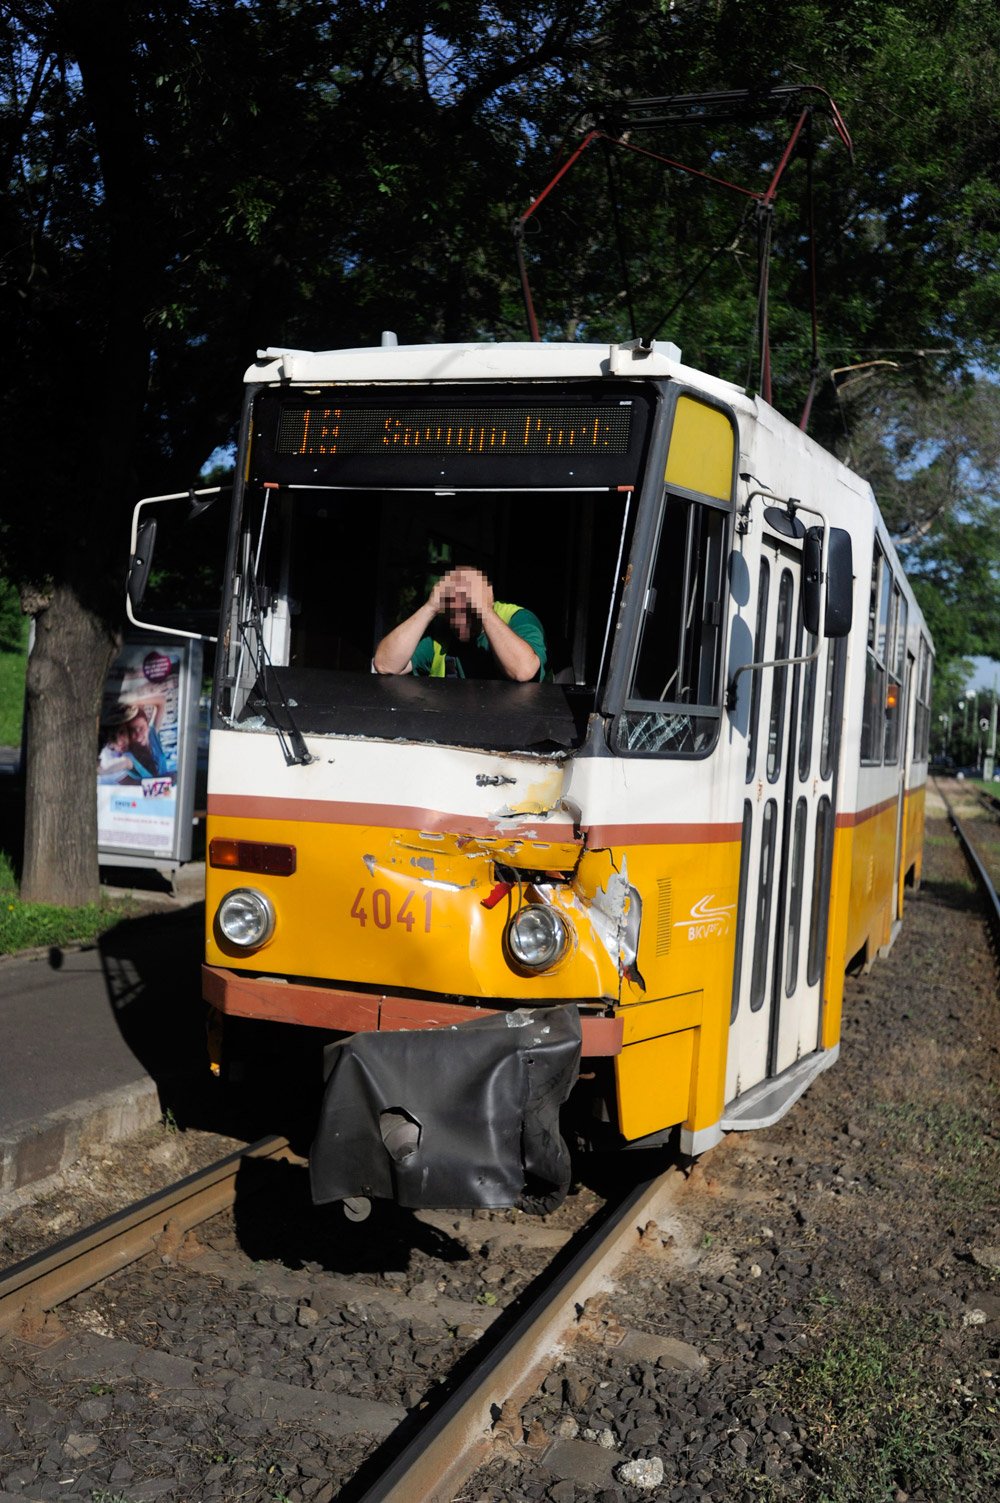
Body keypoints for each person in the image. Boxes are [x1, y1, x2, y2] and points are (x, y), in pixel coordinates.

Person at [373, 566, 546, 681]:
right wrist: (430, 608)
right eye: (452, 611)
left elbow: (523, 670)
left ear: (488, 599)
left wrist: (484, 611)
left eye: (468, 609)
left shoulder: (517, 618)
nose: (459, 621)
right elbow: (385, 665)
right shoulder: (440, 630)